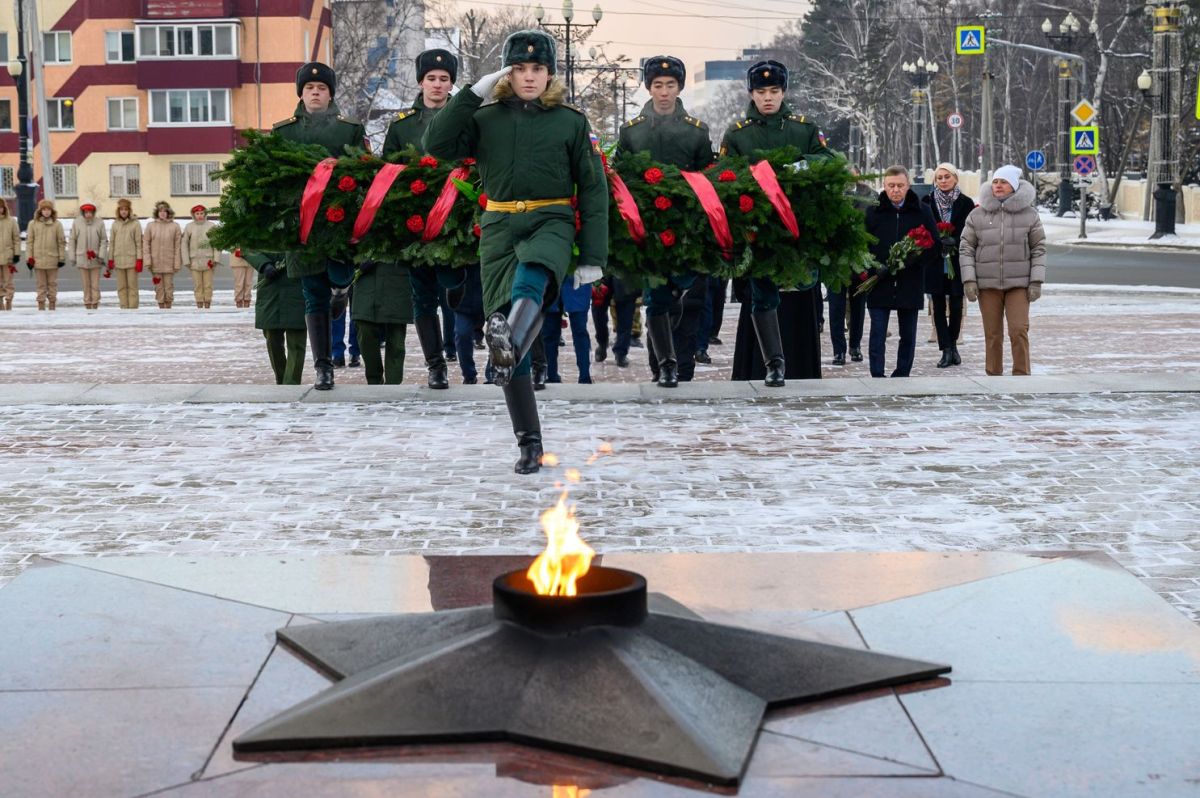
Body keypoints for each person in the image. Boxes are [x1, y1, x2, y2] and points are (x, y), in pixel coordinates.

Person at [423, 29, 608, 473]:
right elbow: (436, 145)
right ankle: (529, 443)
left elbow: (594, 188)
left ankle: (505, 348)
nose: (529, 77)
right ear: (507, 72)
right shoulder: (485, 119)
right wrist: (471, 93)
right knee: (501, 322)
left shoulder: (570, 121)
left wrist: (593, 256)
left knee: (533, 277)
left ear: (550, 74)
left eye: (538, 69)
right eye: (520, 69)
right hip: (500, 223)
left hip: (552, 218)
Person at [721, 60, 835, 386]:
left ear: (783, 92)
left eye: (774, 91)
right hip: (758, 226)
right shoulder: (738, 135)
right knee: (761, 294)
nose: (767, 98)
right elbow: (724, 177)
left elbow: (829, 160)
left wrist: (803, 165)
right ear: (751, 93)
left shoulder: (804, 128)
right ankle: (774, 364)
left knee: (804, 289)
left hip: (797, 226)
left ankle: (799, 362)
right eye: (761, 91)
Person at [616, 55, 714, 388]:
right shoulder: (631, 132)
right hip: (648, 228)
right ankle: (668, 364)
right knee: (657, 298)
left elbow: (707, 181)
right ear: (648, 87)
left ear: (679, 88)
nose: (663, 92)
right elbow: (621, 179)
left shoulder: (697, 133)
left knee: (686, 296)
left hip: (687, 228)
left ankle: (676, 361)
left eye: (670, 85)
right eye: (657, 85)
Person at [274, 61, 368, 390]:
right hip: (302, 229)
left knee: (340, 275)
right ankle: (324, 367)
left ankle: (342, 290)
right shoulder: (283, 131)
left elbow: (364, 174)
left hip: (339, 223)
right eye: (310, 88)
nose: (316, 93)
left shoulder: (349, 129)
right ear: (301, 93)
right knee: (313, 295)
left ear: (330, 94)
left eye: (322, 88)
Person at [382, 48, 464, 390]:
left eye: (444, 79)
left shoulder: (464, 120)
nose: (437, 85)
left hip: (456, 220)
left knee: (455, 283)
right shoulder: (402, 126)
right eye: (431, 78)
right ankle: (435, 365)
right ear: (421, 82)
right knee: (422, 296)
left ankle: (459, 335)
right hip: (414, 221)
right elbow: (386, 171)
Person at [960, 164, 1046, 376]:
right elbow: (966, 248)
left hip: (1019, 284)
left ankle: (1021, 375)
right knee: (992, 334)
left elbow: (1039, 248)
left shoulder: (1030, 215)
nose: (998, 186)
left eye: (1004, 182)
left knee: (1018, 330)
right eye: (995, 181)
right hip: (987, 284)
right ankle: (993, 375)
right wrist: (969, 280)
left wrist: (1036, 281)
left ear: (1014, 187)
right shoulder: (977, 215)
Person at [863, 166, 939, 378]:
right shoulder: (873, 210)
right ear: (884, 186)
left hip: (910, 280)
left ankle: (902, 372)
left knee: (908, 332)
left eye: (900, 186)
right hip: (880, 280)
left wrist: (915, 260)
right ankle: (877, 374)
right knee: (878, 331)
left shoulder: (921, 210)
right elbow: (862, 244)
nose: (895, 190)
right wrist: (874, 266)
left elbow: (935, 245)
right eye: (891, 186)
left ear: (908, 186)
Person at [922, 163, 975, 368]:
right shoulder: (926, 201)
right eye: (939, 178)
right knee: (937, 306)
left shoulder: (966, 202)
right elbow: (923, 228)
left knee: (956, 304)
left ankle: (953, 344)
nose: (943, 181)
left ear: (955, 178)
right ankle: (945, 349)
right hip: (934, 261)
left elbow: (970, 230)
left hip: (957, 260)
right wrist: (937, 241)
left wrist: (955, 240)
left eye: (947, 177)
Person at [246, 251, 307, 384]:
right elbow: (247, 246)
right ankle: (281, 379)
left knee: (297, 341)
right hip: (270, 286)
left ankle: (291, 383)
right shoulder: (260, 229)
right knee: (272, 340)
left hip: (297, 283)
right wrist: (264, 264)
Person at [352, 260, 413, 384]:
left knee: (396, 338)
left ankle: (393, 384)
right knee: (364, 328)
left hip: (397, 274)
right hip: (366, 276)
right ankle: (374, 380)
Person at [542, 278, 592, 383]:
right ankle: (551, 375)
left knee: (580, 332)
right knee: (549, 334)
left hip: (577, 281)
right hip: (552, 282)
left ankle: (584, 376)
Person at [26, 199, 66, 311]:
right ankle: (41, 305)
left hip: (52, 260)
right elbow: (29, 242)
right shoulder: (33, 224)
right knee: (41, 285)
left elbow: (61, 242)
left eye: (48, 209)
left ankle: (52, 305)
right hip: (38, 261)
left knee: (52, 284)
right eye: (44, 209)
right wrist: (29, 258)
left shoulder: (57, 224)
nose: (46, 212)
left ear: (52, 211)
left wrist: (61, 258)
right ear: (40, 211)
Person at [144, 201, 182, 309]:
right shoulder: (151, 226)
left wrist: (177, 263)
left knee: (168, 286)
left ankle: (168, 306)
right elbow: (146, 243)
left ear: (168, 213)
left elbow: (178, 246)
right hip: (155, 262)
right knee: (159, 286)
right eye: (160, 211)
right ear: (157, 213)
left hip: (169, 262)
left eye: (165, 211)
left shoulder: (175, 226)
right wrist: (148, 260)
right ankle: (161, 307)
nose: (162, 213)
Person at [71, 201, 108, 310]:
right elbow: (73, 240)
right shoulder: (77, 223)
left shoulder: (99, 223)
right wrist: (73, 257)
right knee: (86, 284)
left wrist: (101, 255)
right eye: (86, 212)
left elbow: (103, 240)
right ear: (83, 212)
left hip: (95, 259)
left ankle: (95, 303)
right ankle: (87, 303)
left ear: (93, 212)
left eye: (90, 212)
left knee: (95, 284)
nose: (88, 214)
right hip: (82, 258)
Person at [182, 204, 219, 309]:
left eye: (201, 213)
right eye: (197, 213)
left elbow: (217, 244)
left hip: (208, 260)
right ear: (194, 215)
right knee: (198, 285)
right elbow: (184, 244)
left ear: (205, 214)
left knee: (208, 285)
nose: (199, 215)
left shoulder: (211, 226)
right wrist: (186, 260)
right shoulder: (189, 227)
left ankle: (207, 303)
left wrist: (216, 259)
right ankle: (199, 303)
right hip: (194, 261)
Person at [109, 199, 144, 309]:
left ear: (129, 211)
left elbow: (139, 243)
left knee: (132, 287)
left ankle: (133, 308)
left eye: (126, 209)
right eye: (121, 209)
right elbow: (112, 242)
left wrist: (139, 259)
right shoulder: (115, 224)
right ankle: (124, 308)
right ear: (118, 211)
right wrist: (111, 259)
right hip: (118, 260)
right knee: (121, 287)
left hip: (131, 261)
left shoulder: (135, 224)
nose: (123, 212)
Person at [0, 202, 19, 310]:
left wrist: (16, 254)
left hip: (8, 257)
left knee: (8, 282)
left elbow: (16, 239)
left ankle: (9, 301)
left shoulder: (11, 221)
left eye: (1, 207)